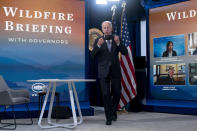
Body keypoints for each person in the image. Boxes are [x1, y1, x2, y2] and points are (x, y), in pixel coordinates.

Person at [91, 21, 128, 125]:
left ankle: (113, 111)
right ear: (102, 29)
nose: (106, 29)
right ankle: (108, 117)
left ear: (111, 28)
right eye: (104, 27)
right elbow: (92, 55)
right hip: (103, 71)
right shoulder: (98, 40)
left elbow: (125, 52)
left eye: (108, 27)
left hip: (115, 70)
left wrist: (118, 43)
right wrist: (98, 45)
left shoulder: (117, 38)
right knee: (105, 94)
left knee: (117, 92)